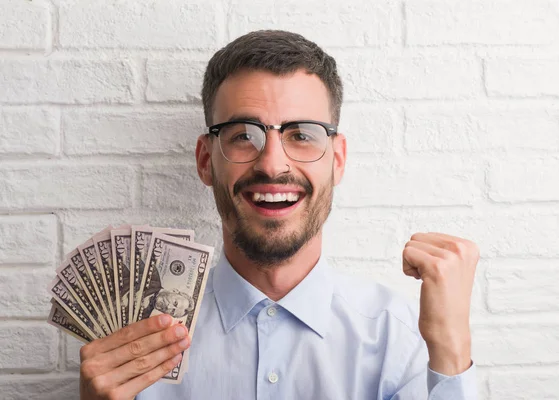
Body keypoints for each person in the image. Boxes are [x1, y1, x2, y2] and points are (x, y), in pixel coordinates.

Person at [78, 30, 479, 399]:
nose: (272, 164)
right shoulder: (133, 348)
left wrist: (451, 348)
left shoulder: (401, 337)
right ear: (205, 160)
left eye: (301, 135)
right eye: (243, 135)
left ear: (337, 161)